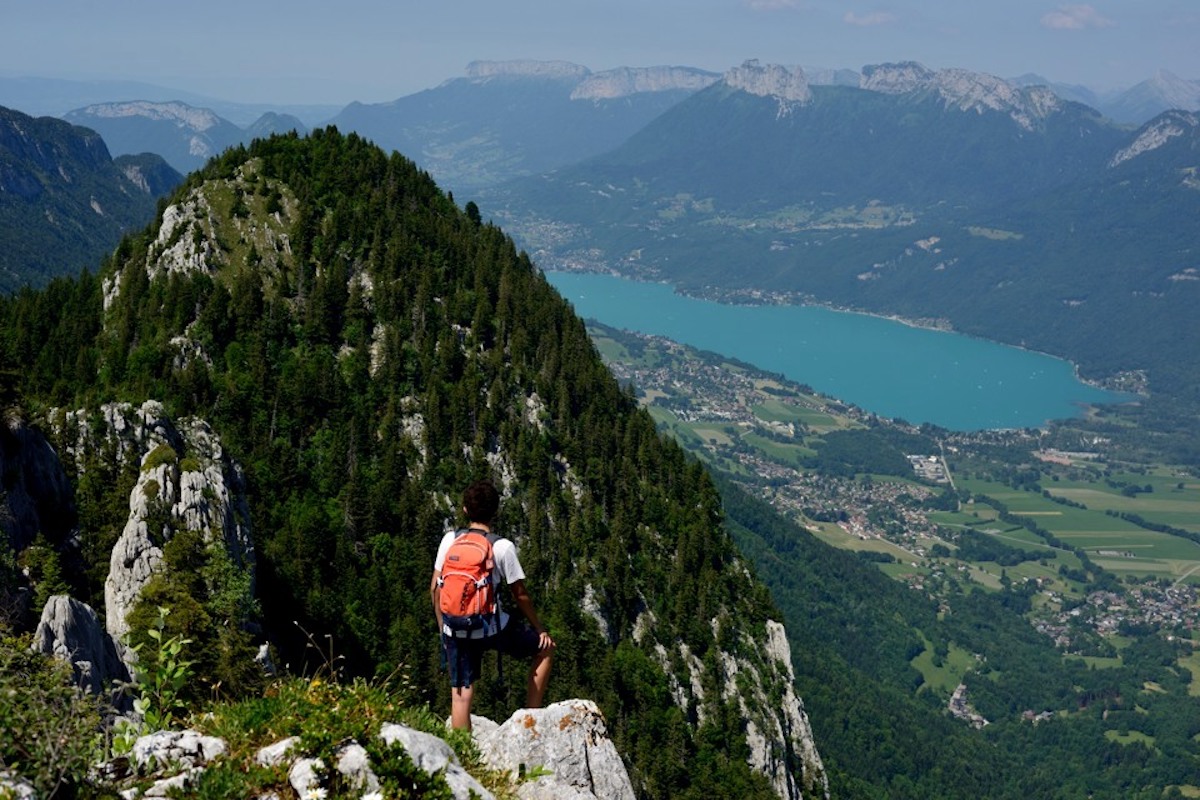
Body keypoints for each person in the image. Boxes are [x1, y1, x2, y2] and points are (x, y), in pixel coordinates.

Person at [430, 479, 555, 730]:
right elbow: (520, 595)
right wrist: (540, 629)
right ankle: (530, 722)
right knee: (545, 649)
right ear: (495, 512)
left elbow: (435, 587)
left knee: (461, 694)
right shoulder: (502, 547)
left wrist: (443, 627)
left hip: (455, 627)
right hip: (491, 627)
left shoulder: (449, 540)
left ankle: (463, 755)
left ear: (465, 510)